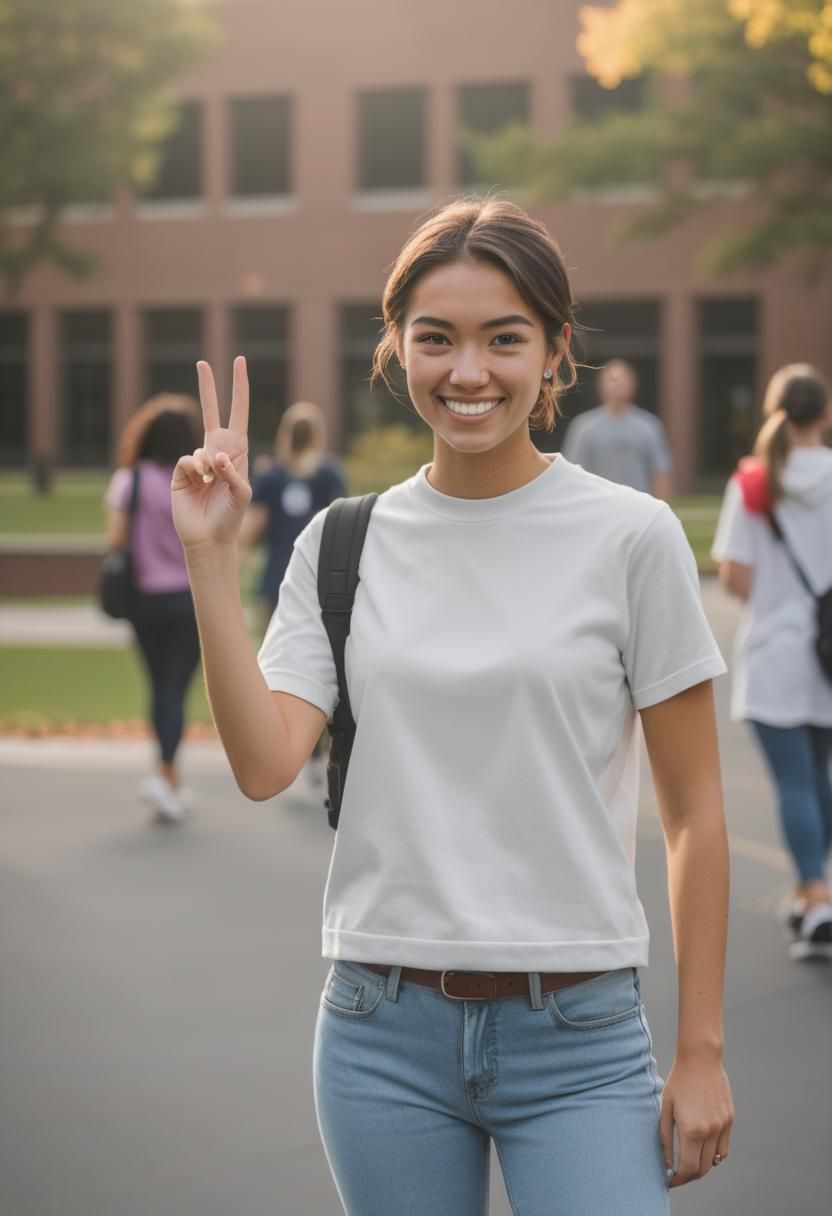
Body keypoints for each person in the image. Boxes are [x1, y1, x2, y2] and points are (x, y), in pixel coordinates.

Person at [172, 198, 733, 1214]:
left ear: (556, 349)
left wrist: (700, 1048)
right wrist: (211, 560)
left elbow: (693, 809)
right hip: (378, 1031)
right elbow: (263, 766)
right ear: (395, 347)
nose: (466, 371)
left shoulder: (631, 538)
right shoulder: (342, 543)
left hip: (580, 1037)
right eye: (435, 338)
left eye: (503, 338)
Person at [712, 364, 832, 961]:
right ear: (825, 415)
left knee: (793, 782)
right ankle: (819, 890)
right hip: (829, 656)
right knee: (821, 775)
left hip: (776, 653)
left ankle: (813, 898)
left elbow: (735, 576)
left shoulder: (757, 481)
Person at [105, 395, 202, 823]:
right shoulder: (197, 481)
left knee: (158, 685)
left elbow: (114, 540)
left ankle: (168, 777)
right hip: (188, 599)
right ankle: (166, 778)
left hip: (145, 600)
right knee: (174, 690)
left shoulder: (130, 481)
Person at [240, 400, 346, 631]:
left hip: (277, 575)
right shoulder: (330, 474)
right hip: (320, 579)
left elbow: (250, 529)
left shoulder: (272, 476)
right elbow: (342, 530)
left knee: (271, 653)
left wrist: (238, 560)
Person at [561, 359, 673, 499]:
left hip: (639, 506)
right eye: (613, 380)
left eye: (623, 380)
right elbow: (573, 472)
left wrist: (662, 506)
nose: (618, 384)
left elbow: (660, 471)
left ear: (633, 384)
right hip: (598, 505)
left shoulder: (649, 425)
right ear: (601, 385)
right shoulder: (583, 426)